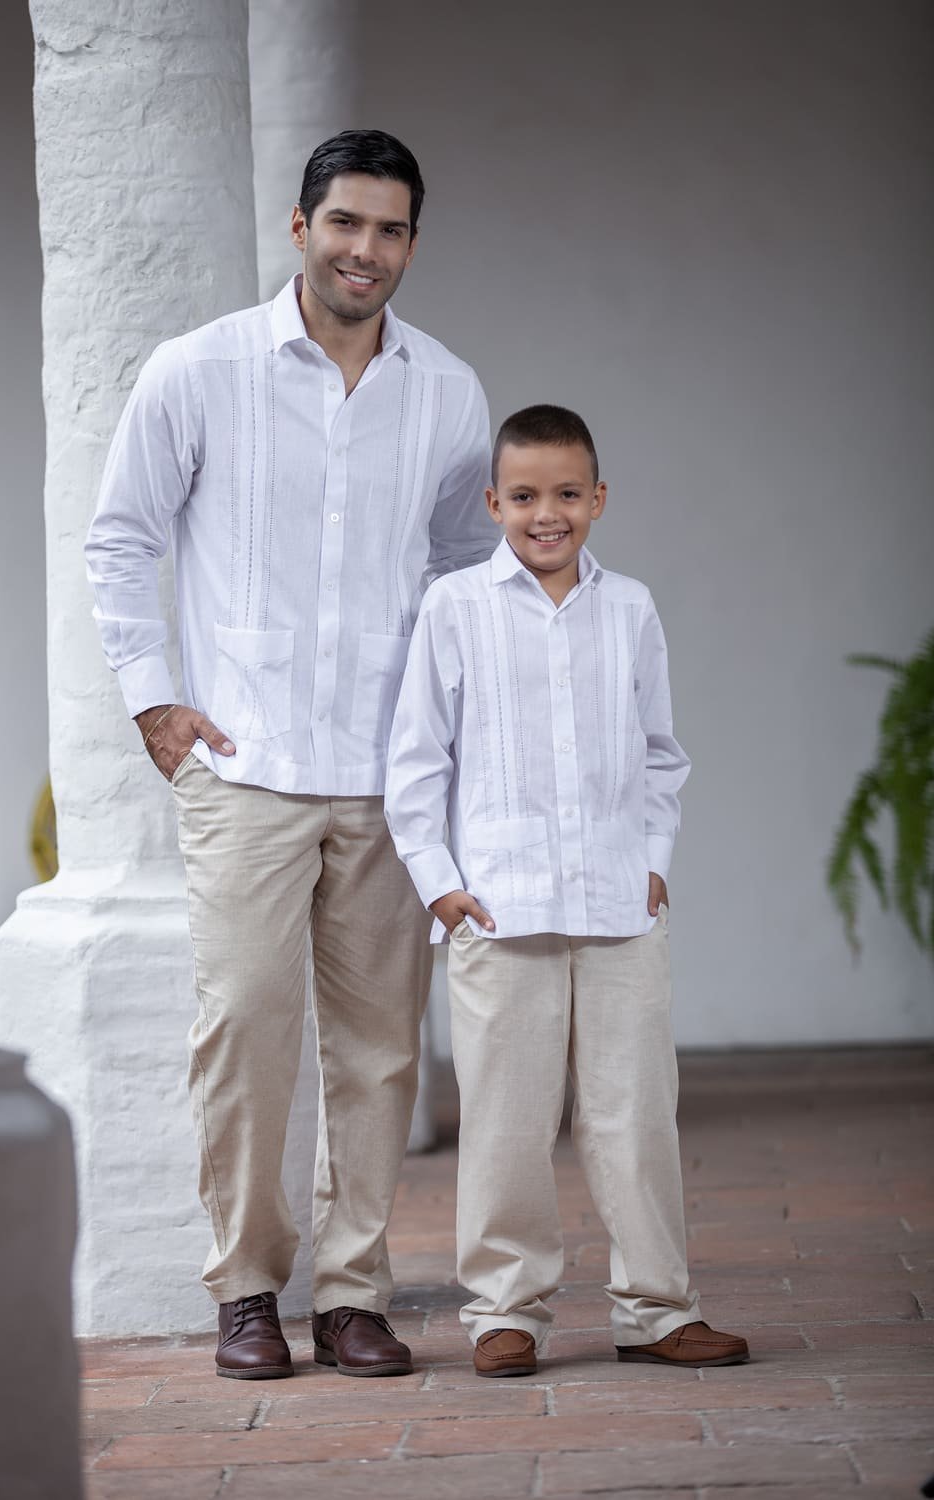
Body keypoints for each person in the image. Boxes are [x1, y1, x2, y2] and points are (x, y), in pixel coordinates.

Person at [85, 130, 495, 1380]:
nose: (366, 250)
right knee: (246, 1035)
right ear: (300, 227)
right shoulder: (198, 370)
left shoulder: (447, 392)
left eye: (390, 230)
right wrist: (155, 704)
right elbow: (121, 538)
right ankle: (249, 1290)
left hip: (385, 777)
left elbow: (464, 566)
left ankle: (355, 1294)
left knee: (379, 1049)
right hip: (245, 768)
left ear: (411, 244)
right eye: (345, 223)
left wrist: (451, 735)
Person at [385, 404, 749, 1377]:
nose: (546, 513)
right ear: (493, 502)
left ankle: (658, 1309)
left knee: (636, 1114)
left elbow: (661, 752)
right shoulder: (455, 607)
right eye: (524, 495)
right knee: (506, 1119)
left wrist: (654, 858)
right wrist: (440, 886)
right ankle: (506, 1310)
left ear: (598, 499)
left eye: (566, 493)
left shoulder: (628, 608)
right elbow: (416, 760)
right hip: (498, 909)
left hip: (618, 904)